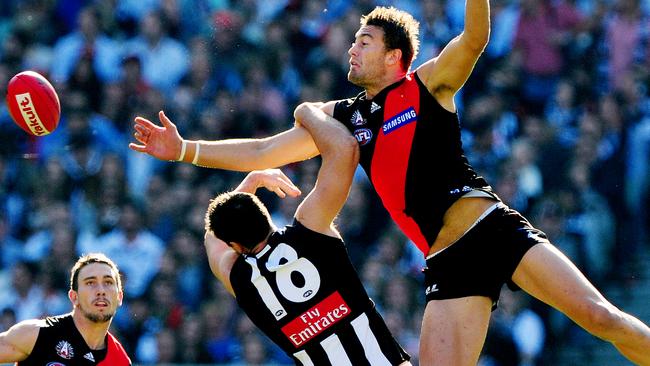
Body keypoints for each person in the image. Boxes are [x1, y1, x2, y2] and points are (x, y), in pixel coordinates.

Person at [130, 3, 650, 365]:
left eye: (365, 41)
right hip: (447, 263)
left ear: (394, 56)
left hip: (492, 228)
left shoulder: (425, 84)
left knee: (600, 317)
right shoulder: (345, 117)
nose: (352, 48)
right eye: (354, 39)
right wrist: (184, 150)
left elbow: (475, 38)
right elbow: (267, 151)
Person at [203, 103, 411, 365]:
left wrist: (250, 181)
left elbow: (211, 238)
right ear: (265, 213)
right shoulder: (310, 228)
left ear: (234, 245)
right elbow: (345, 148)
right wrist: (305, 111)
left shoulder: (237, 276)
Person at [0, 253, 131, 365]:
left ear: (119, 297)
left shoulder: (120, 361)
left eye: (108, 283)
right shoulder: (37, 334)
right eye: (90, 283)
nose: (101, 291)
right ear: (74, 297)